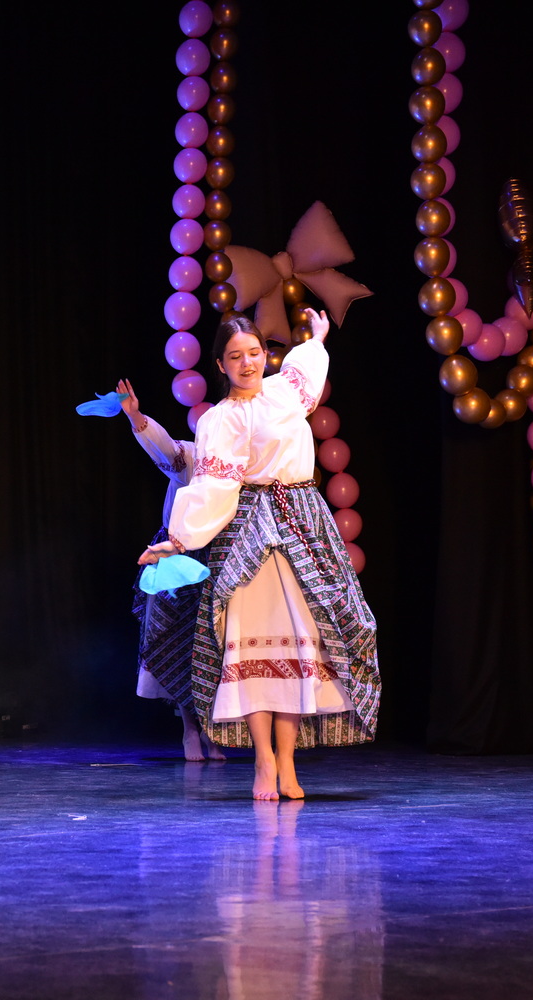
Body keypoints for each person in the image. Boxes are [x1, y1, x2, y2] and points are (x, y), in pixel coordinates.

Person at [140, 311, 379, 800]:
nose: (248, 363)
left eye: (254, 353)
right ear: (220, 364)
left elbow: (307, 365)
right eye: (235, 356)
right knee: (249, 644)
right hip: (248, 524)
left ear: (265, 355)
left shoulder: (285, 392)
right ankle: (264, 762)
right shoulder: (218, 420)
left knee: (298, 646)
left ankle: (287, 762)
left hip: (300, 520)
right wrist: (179, 539)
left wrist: (318, 337)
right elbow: (214, 485)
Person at [117, 378, 225, 763]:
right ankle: (190, 729)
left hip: (217, 560)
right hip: (177, 560)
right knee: (179, 643)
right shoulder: (192, 459)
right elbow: (165, 449)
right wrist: (136, 417)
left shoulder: (236, 470)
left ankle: (212, 728)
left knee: (212, 648)